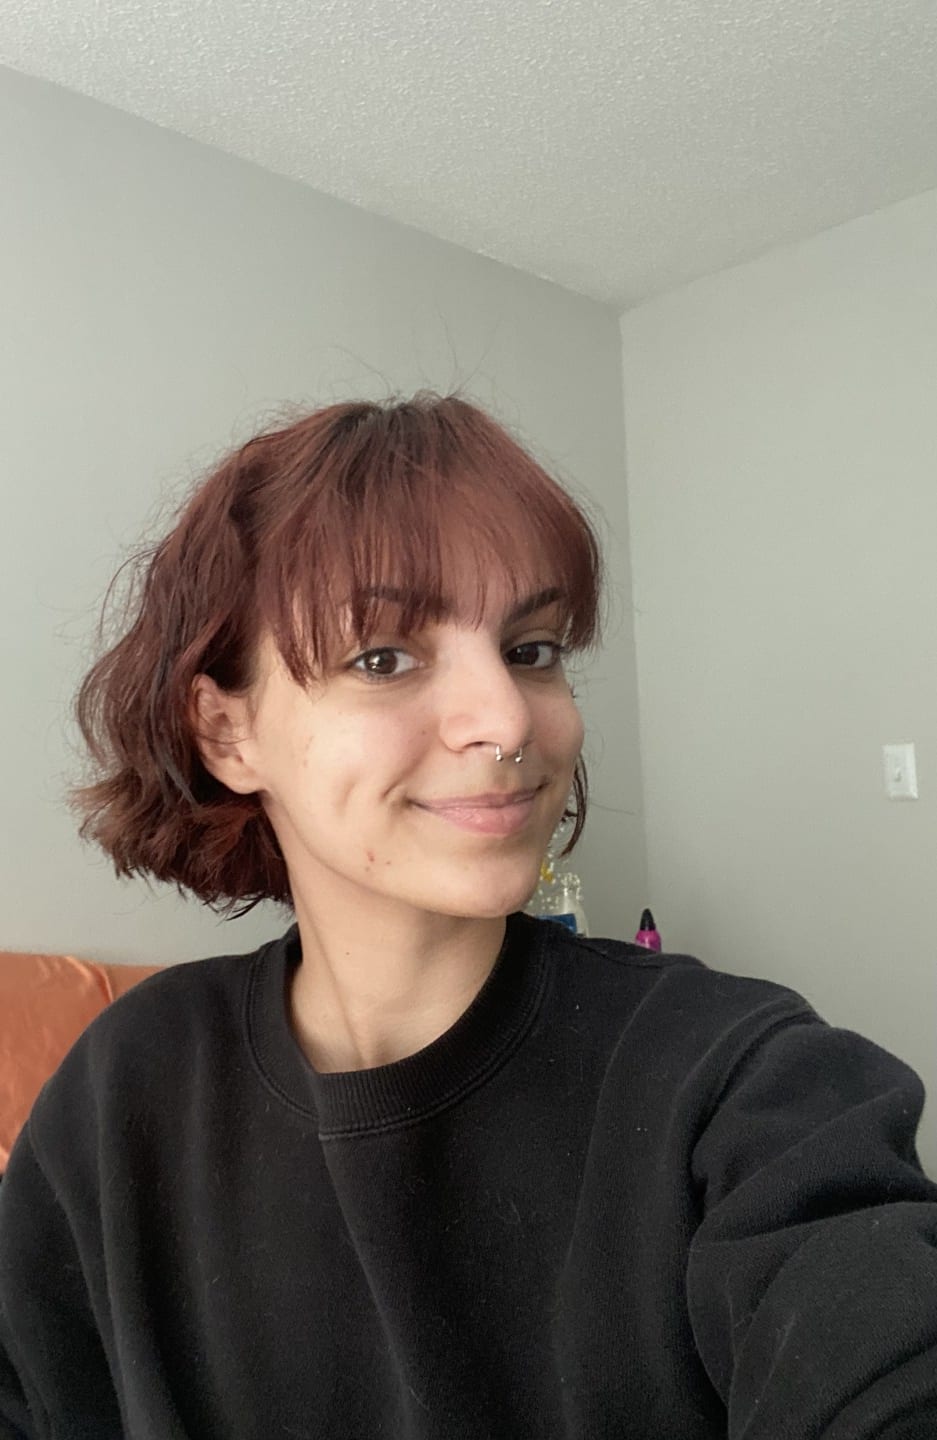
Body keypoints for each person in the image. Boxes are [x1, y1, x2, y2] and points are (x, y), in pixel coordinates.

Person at [0, 393, 935, 1440]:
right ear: (227, 733)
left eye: (530, 649)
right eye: (383, 658)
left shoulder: (739, 1078)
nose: (506, 720)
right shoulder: (126, 1085)